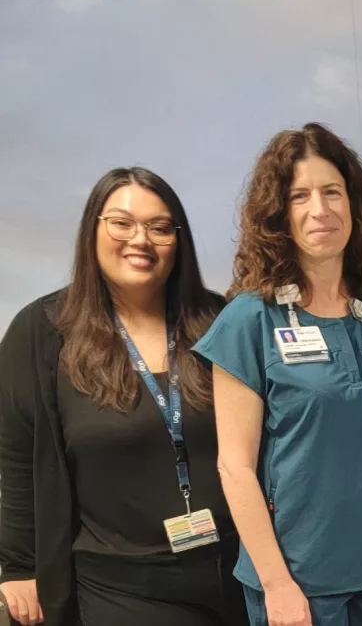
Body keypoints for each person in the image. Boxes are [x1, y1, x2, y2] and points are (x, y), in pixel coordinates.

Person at [192, 123, 362, 626]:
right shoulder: (249, 320)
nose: (320, 210)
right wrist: (277, 583)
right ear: (279, 214)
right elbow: (234, 468)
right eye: (299, 196)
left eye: (332, 192)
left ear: (355, 204)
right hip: (299, 585)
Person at [0, 167, 245, 625]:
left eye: (159, 227)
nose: (141, 240)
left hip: (234, 569)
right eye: (122, 223)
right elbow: (16, 455)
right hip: (121, 585)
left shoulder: (220, 319)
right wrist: (18, 566)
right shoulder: (41, 331)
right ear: (92, 228)